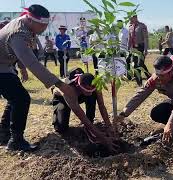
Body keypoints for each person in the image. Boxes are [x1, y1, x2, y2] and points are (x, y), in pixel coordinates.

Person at [0, 4, 116, 152]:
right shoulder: (18, 33)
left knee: (15, 97)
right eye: (41, 25)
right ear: (30, 20)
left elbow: (20, 53)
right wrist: (60, 84)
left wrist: (109, 127)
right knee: (21, 98)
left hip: (6, 65)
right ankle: (15, 141)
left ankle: (3, 132)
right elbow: (33, 63)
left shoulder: (25, 25)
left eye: (46, 25)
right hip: (2, 66)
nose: (44, 29)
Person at [116, 56, 173, 142]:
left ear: (171, 72)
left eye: (162, 76)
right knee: (157, 112)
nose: (159, 78)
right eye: (157, 75)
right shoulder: (156, 78)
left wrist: (169, 123)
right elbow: (141, 94)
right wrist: (124, 113)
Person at [52, 68, 116, 140]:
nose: (90, 92)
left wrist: (109, 126)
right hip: (62, 98)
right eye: (88, 90)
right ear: (80, 85)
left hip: (80, 93)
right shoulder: (69, 89)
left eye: (92, 89)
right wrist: (100, 136)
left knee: (91, 96)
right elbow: (80, 114)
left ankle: (90, 122)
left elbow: (101, 105)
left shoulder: (96, 84)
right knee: (61, 128)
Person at [128, 14, 151, 86]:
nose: (130, 20)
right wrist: (128, 49)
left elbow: (145, 38)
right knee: (137, 65)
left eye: (131, 18)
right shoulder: (130, 27)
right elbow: (129, 39)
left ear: (135, 18)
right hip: (134, 48)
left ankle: (141, 82)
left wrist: (146, 49)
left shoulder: (142, 26)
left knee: (139, 65)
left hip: (141, 47)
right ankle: (141, 82)